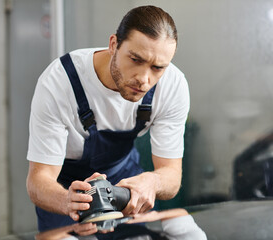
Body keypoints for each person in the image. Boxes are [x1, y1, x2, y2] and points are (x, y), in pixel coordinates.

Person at [26, 5, 190, 232]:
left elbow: (171, 174)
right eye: (135, 59)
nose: (144, 79)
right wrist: (67, 202)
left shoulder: (173, 86)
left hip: (125, 180)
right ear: (113, 44)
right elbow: (38, 181)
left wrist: (153, 181)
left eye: (157, 67)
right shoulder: (59, 82)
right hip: (65, 187)